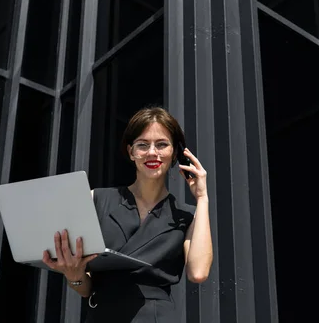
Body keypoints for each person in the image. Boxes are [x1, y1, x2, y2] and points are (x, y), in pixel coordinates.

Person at [41, 106, 213, 322]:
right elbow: (85, 289)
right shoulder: (95, 199)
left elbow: (198, 273)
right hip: (102, 313)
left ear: (175, 153)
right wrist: (73, 274)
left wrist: (202, 198)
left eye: (162, 144)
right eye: (143, 145)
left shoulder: (187, 215)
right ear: (131, 152)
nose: (152, 152)